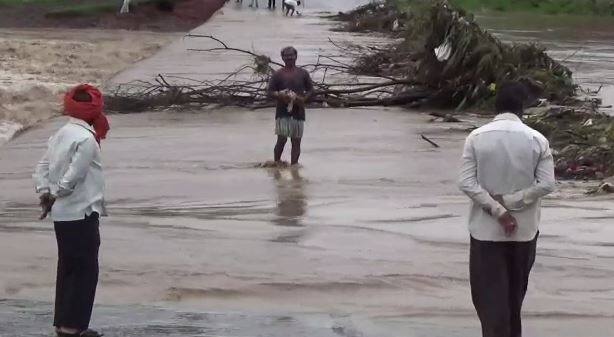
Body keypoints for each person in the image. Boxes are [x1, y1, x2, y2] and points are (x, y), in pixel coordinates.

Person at [458, 81, 556, 337]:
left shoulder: (476, 138)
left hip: (485, 233)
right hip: (524, 233)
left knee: (490, 303)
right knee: (514, 302)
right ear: (522, 109)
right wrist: (513, 202)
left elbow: (466, 183)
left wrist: (498, 210)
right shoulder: (538, 140)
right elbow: (547, 184)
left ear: (496, 107)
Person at [33, 84, 110, 337]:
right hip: (82, 212)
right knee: (85, 269)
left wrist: (45, 192)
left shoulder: (61, 133)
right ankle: (72, 327)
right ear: (92, 110)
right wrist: (56, 193)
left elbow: (42, 167)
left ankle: (62, 323)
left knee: (67, 267)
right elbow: (73, 176)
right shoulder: (86, 139)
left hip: (63, 215)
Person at [267, 46, 314, 165]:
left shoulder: (303, 73)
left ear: (296, 56)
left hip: (298, 111)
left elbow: (311, 90)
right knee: (281, 139)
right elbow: (269, 92)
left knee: (296, 141)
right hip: (282, 112)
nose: (289, 58)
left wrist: (303, 99)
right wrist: (280, 95)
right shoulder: (278, 74)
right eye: (286, 56)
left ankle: (294, 166)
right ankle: (276, 163)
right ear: (282, 58)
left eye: (291, 55)